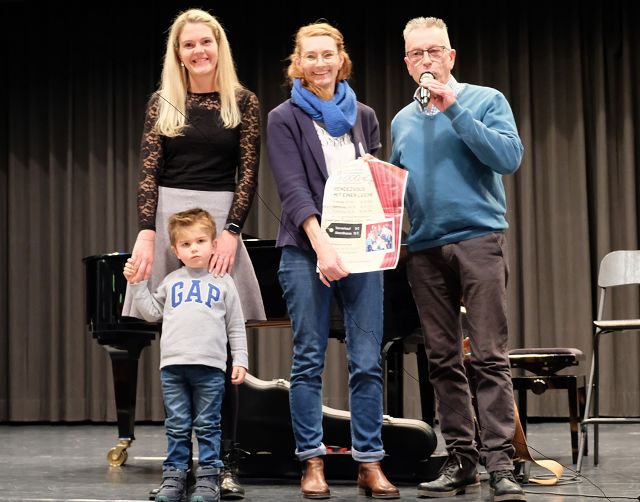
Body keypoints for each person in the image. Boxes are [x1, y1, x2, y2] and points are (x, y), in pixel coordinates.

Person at [122, 8, 265, 499]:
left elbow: (248, 173)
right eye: (189, 45)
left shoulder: (243, 101)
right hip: (170, 217)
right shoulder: (164, 100)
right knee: (180, 337)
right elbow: (149, 168)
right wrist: (147, 233)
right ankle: (178, 466)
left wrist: (231, 231)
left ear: (219, 47)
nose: (199, 50)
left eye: (207, 42)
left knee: (219, 344)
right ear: (178, 53)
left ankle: (220, 463)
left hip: (222, 220)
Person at [389, 16, 526, 502]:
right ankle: (462, 458)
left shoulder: (486, 100)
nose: (426, 60)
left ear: (451, 56)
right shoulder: (401, 121)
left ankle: (501, 463)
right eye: (416, 54)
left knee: (489, 356)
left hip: (479, 240)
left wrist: (455, 112)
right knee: (442, 359)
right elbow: (397, 190)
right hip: (424, 249)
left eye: (434, 51)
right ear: (407, 64)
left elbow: (508, 158)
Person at [267, 22, 400, 500]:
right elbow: (292, 188)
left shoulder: (363, 115)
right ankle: (313, 461)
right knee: (308, 361)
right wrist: (322, 245)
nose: (320, 63)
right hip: (306, 251)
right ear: (297, 64)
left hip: (363, 255)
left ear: (341, 59)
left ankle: (369, 463)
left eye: (328, 55)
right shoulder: (284, 117)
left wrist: (385, 229)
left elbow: (376, 182)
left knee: (367, 362)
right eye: (310, 56)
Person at [124, 208, 248, 502]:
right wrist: (137, 284)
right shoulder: (171, 281)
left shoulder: (224, 282)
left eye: (201, 241)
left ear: (214, 245)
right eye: (186, 244)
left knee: (208, 425)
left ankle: (208, 480)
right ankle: (174, 478)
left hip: (210, 369)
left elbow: (236, 326)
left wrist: (240, 359)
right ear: (176, 250)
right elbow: (152, 313)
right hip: (173, 369)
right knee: (177, 425)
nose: (194, 249)